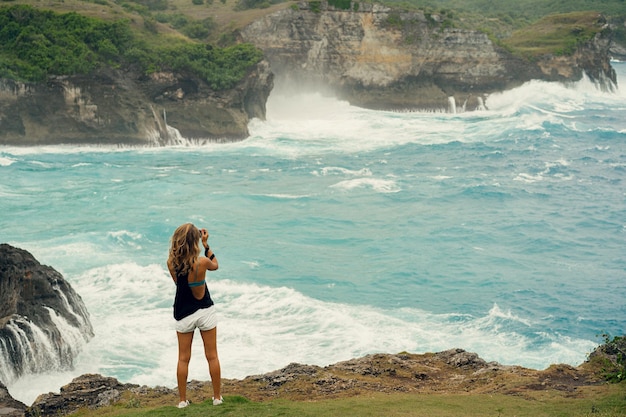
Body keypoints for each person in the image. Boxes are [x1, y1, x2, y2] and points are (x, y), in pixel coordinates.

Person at [167, 223, 222, 408]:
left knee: (183, 358)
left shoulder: (171, 263)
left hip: (183, 312)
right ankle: (216, 398)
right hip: (205, 310)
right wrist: (206, 245)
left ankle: (182, 401)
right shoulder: (202, 262)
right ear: (195, 241)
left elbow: (179, 284)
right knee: (212, 356)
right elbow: (215, 265)